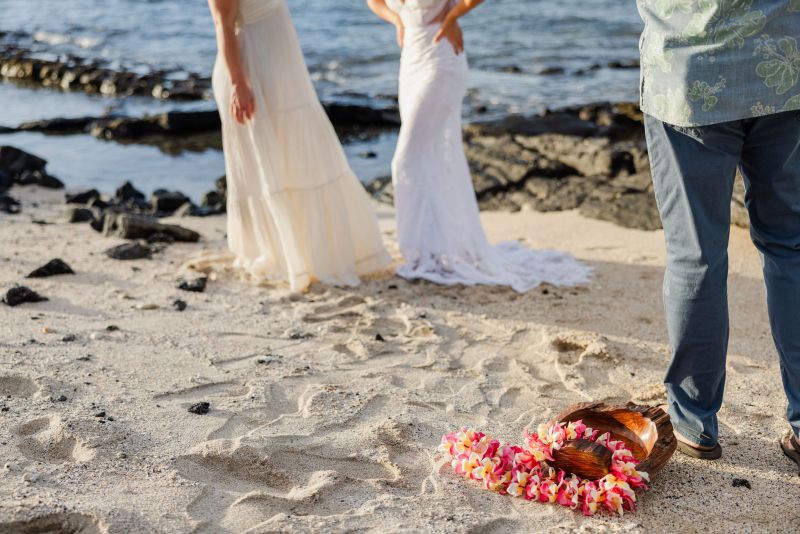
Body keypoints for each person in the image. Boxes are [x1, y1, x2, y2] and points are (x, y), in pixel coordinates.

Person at [637, 0, 800, 465]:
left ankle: (694, 422)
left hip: (688, 74)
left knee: (696, 256)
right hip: (786, 70)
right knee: (791, 248)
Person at [365, 0, 592, 293]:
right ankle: (426, 249)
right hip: (410, 61)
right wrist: (396, 19)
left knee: (405, 160)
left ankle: (418, 255)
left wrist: (453, 16)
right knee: (427, 157)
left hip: (441, 60)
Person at [207, 0, 390, 292]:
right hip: (251, 73)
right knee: (266, 164)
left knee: (302, 157)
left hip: (283, 71)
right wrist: (239, 83)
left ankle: (312, 252)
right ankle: (281, 254)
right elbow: (223, 24)